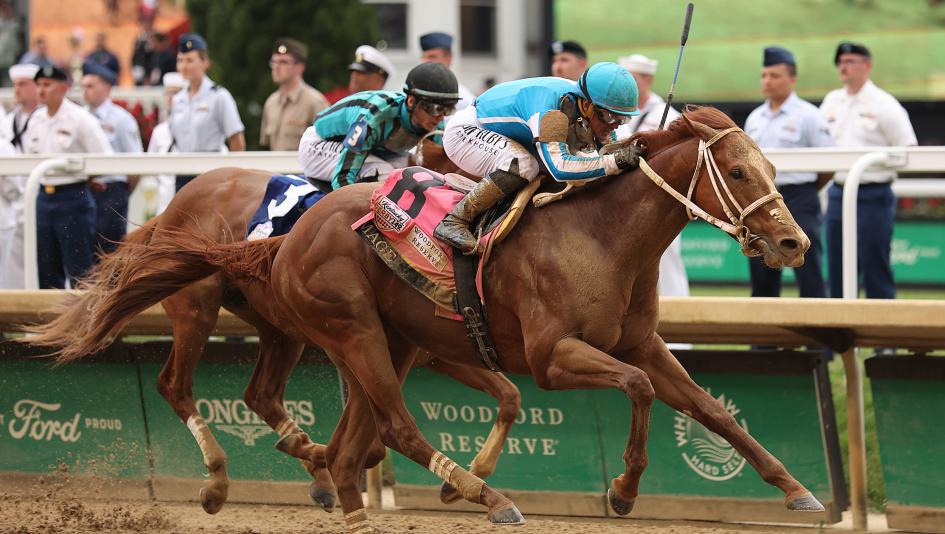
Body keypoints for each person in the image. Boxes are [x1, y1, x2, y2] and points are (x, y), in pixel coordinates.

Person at [434, 62, 644, 254]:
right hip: (466, 131)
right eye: (609, 116)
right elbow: (560, 168)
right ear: (588, 106)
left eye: (622, 119)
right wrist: (614, 161)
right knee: (524, 165)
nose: (614, 125)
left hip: (508, 135)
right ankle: (455, 220)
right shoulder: (550, 110)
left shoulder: (584, 106)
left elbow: (606, 152)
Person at [820, 42, 917, 302]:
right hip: (839, 194)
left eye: (850, 61)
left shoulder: (885, 104)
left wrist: (877, 162)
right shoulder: (831, 101)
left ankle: (884, 328)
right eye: (840, 62)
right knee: (838, 268)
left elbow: (908, 148)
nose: (844, 66)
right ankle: (839, 327)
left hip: (873, 195)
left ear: (867, 65)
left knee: (876, 266)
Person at [744, 46, 835, 300]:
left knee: (808, 269)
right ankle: (763, 327)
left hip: (799, 197)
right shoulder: (755, 118)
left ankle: (817, 326)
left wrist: (808, 191)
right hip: (762, 200)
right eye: (764, 75)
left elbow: (830, 162)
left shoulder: (810, 116)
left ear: (792, 79)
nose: (767, 81)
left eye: (774, 75)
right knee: (762, 269)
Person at [298, 62, 458, 190]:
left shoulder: (436, 124)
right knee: (384, 172)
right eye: (436, 108)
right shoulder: (373, 117)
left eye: (448, 109)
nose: (440, 117)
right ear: (411, 101)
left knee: (409, 173)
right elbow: (343, 175)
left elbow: (436, 170)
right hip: (319, 144)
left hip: (371, 149)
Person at [24, 65, 113, 289]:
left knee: (80, 269)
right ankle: (50, 312)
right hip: (43, 196)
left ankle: (84, 312)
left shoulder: (80, 118)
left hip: (72, 196)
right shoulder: (35, 119)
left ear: (64, 88)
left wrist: (87, 177)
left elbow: (105, 157)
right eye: (39, 85)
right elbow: (28, 157)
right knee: (46, 268)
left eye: (47, 85)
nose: (41, 90)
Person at [615, 53, 689, 301]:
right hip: (624, 198)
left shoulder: (669, 116)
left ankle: (679, 315)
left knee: (666, 258)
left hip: (659, 200)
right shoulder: (617, 111)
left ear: (647, 79)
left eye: (632, 79)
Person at [82, 61, 144, 254]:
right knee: (84, 250)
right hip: (85, 190)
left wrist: (122, 192)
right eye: (83, 86)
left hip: (111, 191)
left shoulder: (121, 119)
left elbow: (135, 164)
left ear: (107, 87)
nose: (85, 91)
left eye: (90, 86)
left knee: (111, 251)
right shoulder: (80, 117)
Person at [169, 33, 245, 191]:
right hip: (183, 173)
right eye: (180, 60)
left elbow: (237, 140)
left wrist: (233, 177)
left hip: (210, 173)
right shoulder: (178, 100)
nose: (184, 66)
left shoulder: (219, 96)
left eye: (190, 60)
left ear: (205, 63)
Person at [0, 63, 39, 289]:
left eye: (23, 84)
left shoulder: (47, 118)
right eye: (15, 84)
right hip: (13, 202)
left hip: (42, 196)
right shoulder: (8, 121)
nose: (17, 89)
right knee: (11, 268)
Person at [260, 38, 329, 151]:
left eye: (283, 62)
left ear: (300, 67)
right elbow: (266, 146)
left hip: (302, 163)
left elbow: (328, 147)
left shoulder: (315, 102)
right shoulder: (271, 103)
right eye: (274, 62)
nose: (276, 67)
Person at [419, 32, 475, 111]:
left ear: (448, 58)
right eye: (423, 57)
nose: (425, 61)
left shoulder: (464, 99)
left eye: (432, 57)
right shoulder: (413, 92)